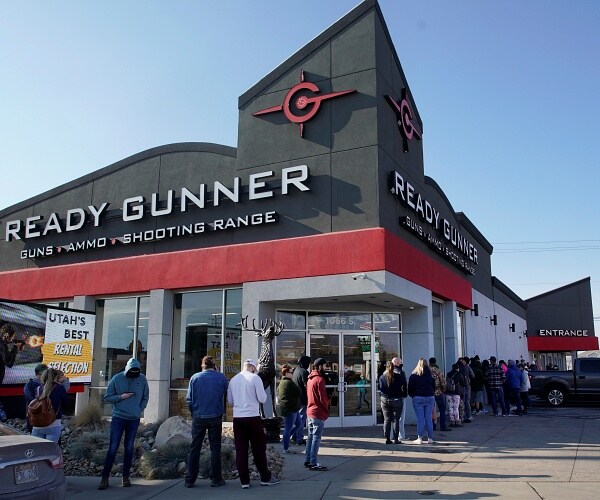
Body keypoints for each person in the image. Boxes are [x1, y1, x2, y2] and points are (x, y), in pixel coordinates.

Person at [98, 358, 149, 490]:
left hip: (134, 418)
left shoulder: (142, 379)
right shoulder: (116, 379)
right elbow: (107, 398)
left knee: (129, 448)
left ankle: (125, 477)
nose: (133, 375)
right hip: (119, 418)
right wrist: (121, 397)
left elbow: (145, 396)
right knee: (113, 447)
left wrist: (139, 409)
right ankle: (105, 478)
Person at [227, 359, 280, 489]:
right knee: (258, 449)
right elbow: (262, 398)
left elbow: (230, 401)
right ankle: (265, 477)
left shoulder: (233, 380)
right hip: (252, 416)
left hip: (238, 418)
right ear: (252, 367)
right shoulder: (255, 378)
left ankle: (244, 481)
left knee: (241, 450)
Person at [184, 355, 229, 488]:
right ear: (214, 366)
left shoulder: (195, 378)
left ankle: (190, 479)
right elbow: (225, 395)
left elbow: (189, 400)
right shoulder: (221, 378)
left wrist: (194, 413)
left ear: (202, 365)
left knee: (195, 448)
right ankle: (216, 478)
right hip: (215, 415)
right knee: (215, 447)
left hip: (199, 416)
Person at [30, 367, 70, 442]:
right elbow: (66, 404)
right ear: (56, 377)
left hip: (38, 424)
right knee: (51, 452)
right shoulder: (60, 388)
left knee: (37, 451)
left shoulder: (38, 389)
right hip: (54, 423)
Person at [305, 358, 330, 470]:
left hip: (310, 411)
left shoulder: (310, 379)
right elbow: (322, 398)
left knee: (310, 437)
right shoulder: (320, 380)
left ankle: (308, 460)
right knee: (316, 437)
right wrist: (327, 408)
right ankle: (313, 462)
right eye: (324, 366)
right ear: (319, 366)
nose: (326, 368)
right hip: (318, 411)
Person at [408, 358, 435, 444]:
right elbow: (433, 386)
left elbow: (410, 388)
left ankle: (420, 438)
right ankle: (430, 438)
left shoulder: (414, 376)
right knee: (428, 418)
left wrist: (413, 395)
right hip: (430, 397)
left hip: (418, 397)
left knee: (420, 419)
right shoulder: (430, 375)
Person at [379, 360, 406, 444]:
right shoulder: (398, 376)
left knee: (387, 419)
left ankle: (387, 438)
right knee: (396, 420)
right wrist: (403, 394)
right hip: (396, 399)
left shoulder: (382, 377)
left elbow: (381, 389)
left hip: (385, 399)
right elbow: (404, 385)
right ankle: (396, 439)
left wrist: (383, 396)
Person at [277, 365, 301, 454]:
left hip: (293, 408)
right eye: (291, 372)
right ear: (286, 373)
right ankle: (285, 447)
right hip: (290, 409)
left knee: (299, 424)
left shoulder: (283, 382)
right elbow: (298, 392)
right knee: (288, 427)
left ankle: (286, 439)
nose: (292, 374)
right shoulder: (288, 383)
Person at [24, 363, 49, 432]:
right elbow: (32, 399)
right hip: (34, 417)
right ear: (37, 374)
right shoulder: (29, 385)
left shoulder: (50, 385)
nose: (46, 376)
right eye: (43, 374)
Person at [292, 355, 310, 445]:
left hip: (296, 399)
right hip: (303, 399)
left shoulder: (296, 370)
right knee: (301, 419)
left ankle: (294, 436)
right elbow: (307, 386)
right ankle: (299, 438)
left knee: (297, 419)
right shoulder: (304, 372)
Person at [429, 357, 450, 432]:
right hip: (438, 392)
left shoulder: (426, 371)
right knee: (442, 409)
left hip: (429, 393)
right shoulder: (438, 371)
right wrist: (443, 390)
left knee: (430, 410)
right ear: (435, 362)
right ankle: (442, 426)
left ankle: (432, 426)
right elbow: (443, 382)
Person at [392, 357, 408, 439]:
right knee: (401, 417)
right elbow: (404, 385)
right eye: (400, 362)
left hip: (390, 397)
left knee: (391, 417)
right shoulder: (401, 372)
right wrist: (405, 394)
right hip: (399, 397)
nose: (402, 364)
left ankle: (391, 435)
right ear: (397, 363)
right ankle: (401, 435)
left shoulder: (386, 373)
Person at [459, 357, 475, 423]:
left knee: (463, 401)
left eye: (462, 360)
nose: (462, 361)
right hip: (466, 386)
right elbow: (473, 375)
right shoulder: (467, 367)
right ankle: (468, 415)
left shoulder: (459, 367)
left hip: (462, 386)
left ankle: (463, 416)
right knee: (466, 401)